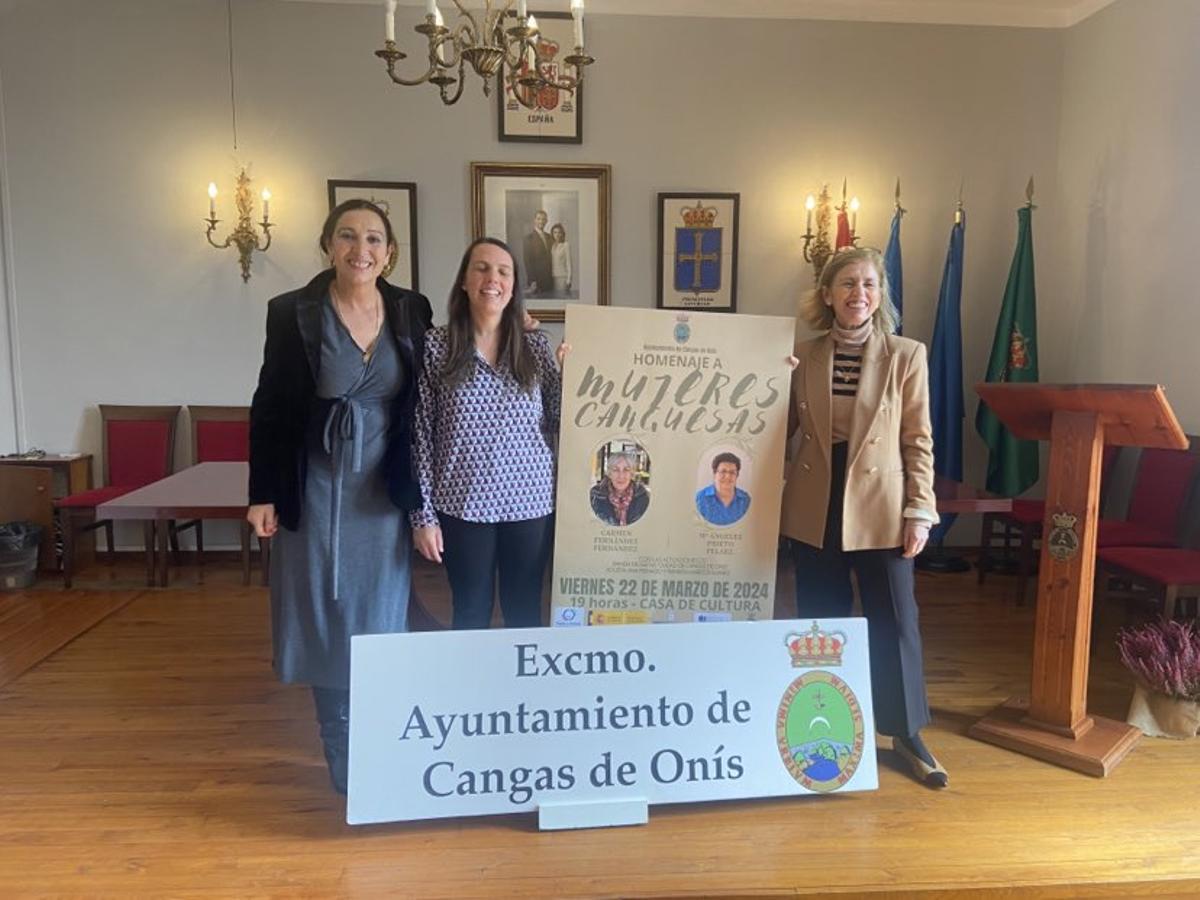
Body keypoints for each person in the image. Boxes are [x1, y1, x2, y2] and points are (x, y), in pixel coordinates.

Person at [246, 199, 432, 796]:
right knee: (323, 608)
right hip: (317, 479)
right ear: (328, 244)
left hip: (382, 482)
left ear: (390, 251)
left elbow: (450, 368)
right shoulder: (292, 311)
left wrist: (524, 329)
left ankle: (377, 732)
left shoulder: (411, 308)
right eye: (348, 236)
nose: (361, 248)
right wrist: (264, 492)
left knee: (377, 611)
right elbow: (271, 404)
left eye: (374, 238)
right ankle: (338, 741)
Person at [780, 246, 946, 789]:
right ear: (826, 294)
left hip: (882, 506)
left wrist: (921, 510)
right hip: (815, 502)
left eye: (870, 284)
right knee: (821, 621)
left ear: (881, 295)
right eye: (847, 284)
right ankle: (819, 729)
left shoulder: (906, 354)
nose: (859, 294)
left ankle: (905, 732)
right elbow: (772, 430)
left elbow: (917, 440)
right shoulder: (798, 356)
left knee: (895, 620)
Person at [411, 238, 562, 630]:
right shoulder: (435, 346)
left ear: (513, 285)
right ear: (464, 279)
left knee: (525, 612)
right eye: (481, 268)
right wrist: (422, 516)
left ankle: (518, 694)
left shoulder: (537, 348)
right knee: (470, 613)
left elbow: (563, 419)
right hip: (462, 504)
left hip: (531, 503)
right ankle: (470, 691)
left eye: (503, 271)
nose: (492, 278)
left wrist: (577, 376)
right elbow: (421, 437)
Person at [590, 452, 650, 527]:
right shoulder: (595, 496)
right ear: (609, 473)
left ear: (631, 474)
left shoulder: (643, 496)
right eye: (615, 470)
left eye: (626, 470)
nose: (621, 475)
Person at [695, 451, 751, 526]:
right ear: (714, 474)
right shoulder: (700, 498)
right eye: (723, 471)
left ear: (737, 475)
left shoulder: (745, 500)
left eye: (732, 472)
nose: (727, 476)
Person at [522, 209, 553, 298]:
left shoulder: (550, 237)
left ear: (546, 221)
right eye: (539, 219)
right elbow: (527, 261)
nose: (541, 221)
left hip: (550, 279)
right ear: (534, 220)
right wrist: (532, 280)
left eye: (543, 219)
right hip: (537, 281)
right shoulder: (528, 239)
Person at [549, 222, 572, 297]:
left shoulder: (566, 245)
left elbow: (569, 264)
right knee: (554, 298)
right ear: (552, 234)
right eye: (555, 232)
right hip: (552, 277)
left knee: (561, 297)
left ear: (562, 234)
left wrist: (568, 280)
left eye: (559, 232)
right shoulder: (552, 246)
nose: (557, 235)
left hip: (562, 277)